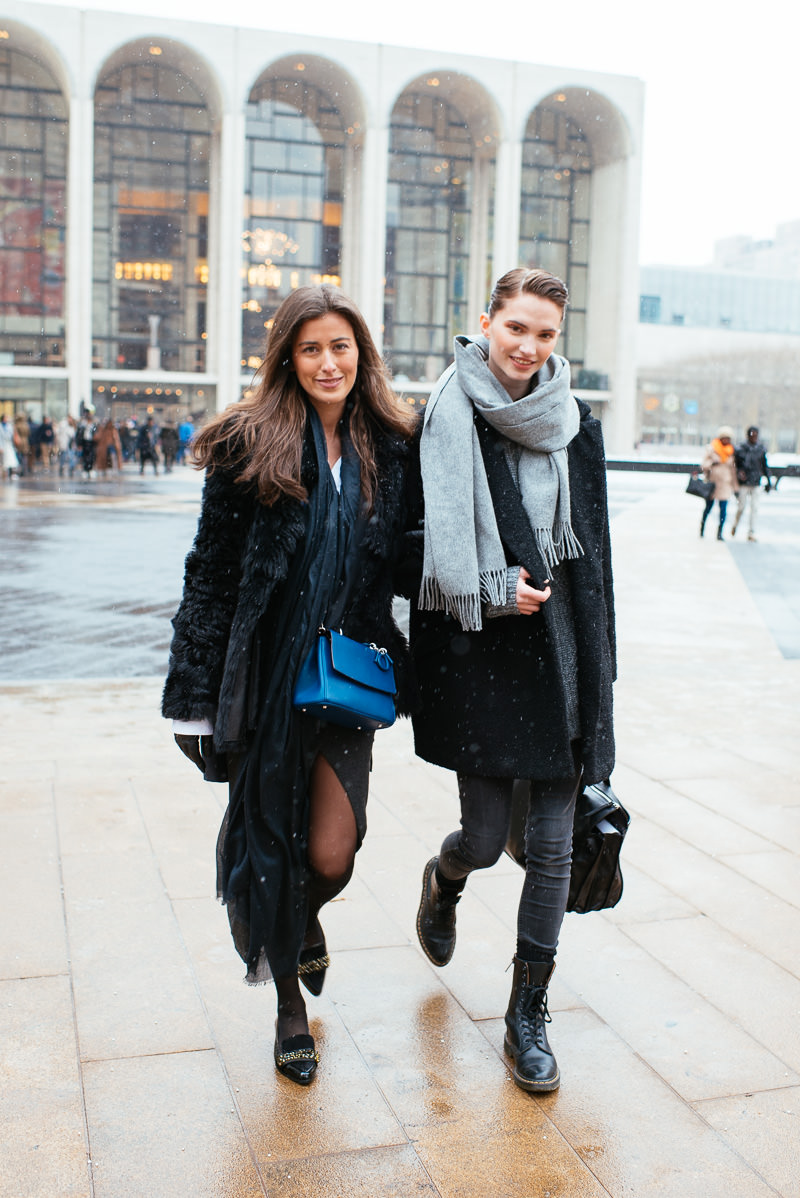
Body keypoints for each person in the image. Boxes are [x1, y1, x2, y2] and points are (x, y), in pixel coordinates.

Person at [162, 285, 417, 1086]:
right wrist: (194, 697)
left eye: (340, 346)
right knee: (271, 840)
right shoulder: (250, 442)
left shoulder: (391, 445)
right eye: (310, 348)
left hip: (346, 676)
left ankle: (304, 917)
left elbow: (406, 558)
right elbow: (210, 574)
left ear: (361, 354)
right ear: (287, 358)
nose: (327, 362)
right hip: (267, 677)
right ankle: (286, 1011)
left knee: (335, 853)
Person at [405, 267, 616, 1094]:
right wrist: (489, 592)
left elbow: (594, 563)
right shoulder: (443, 418)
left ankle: (528, 1011)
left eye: (547, 334)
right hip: (482, 659)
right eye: (517, 328)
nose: (529, 347)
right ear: (486, 320)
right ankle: (444, 878)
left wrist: (601, 683)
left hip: (560, 657)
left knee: (555, 852)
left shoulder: (575, 424)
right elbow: (415, 549)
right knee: (488, 840)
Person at [731, 425, 771, 542]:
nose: (754, 437)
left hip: (756, 482)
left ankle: (751, 531)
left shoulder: (760, 449)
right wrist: (739, 473)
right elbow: (735, 466)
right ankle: (735, 524)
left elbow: (765, 466)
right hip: (744, 483)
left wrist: (768, 481)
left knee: (755, 508)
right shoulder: (741, 449)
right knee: (741, 507)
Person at [700, 426, 737, 540]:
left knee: (723, 510)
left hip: (725, 484)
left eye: (728, 438)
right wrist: (712, 463)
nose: (726, 440)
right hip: (713, 483)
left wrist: (735, 488)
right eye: (724, 438)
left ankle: (720, 532)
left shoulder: (731, 452)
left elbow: (734, 471)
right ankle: (702, 527)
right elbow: (703, 465)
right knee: (708, 508)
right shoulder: (712, 449)